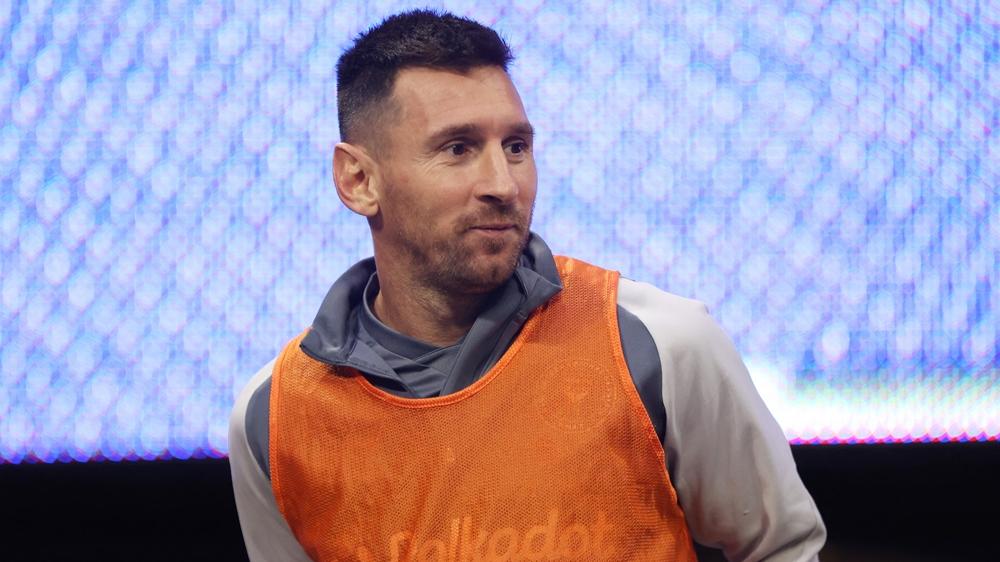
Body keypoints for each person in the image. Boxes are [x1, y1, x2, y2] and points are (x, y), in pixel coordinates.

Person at [229, 9, 825, 562]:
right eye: (458, 149)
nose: (503, 183)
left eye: (516, 147)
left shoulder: (659, 343)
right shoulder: (275, 418)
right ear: (358, 180)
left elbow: (782, 549)